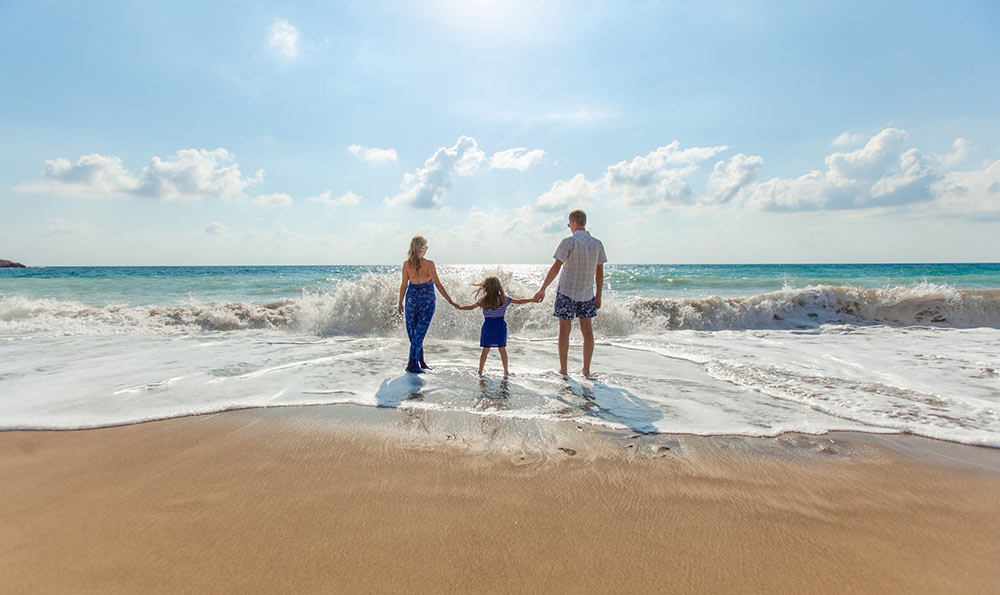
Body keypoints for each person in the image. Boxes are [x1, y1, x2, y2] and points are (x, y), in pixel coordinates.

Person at [532, 209, 607, 377]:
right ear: (584, 222)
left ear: (572, 223)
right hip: (587, 294)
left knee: (564, 331)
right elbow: (600, 273)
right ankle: (586, 371)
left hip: (566, 292)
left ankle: (564, 370)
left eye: (569, 225)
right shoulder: (597, 244)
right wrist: (599, 295)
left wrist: (542, 288)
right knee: (587, 332)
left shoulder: (568, 242)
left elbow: (556, 267)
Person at [398, 235, 457, 374]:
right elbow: (437, 283)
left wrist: (400, 302)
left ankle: (420, 361)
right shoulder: (429, 264)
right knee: (418, 333)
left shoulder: (407, 264)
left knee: (415, 333)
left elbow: (403, 286)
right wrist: (450, 300)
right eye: (426, 247)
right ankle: (412, 363)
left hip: (412, 298)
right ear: (422, 249)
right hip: (426, 299)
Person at [455, 275, 535, 376]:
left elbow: (470, 307)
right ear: (498, 287)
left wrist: (460, 307)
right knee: (502, 349)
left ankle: (480, 371)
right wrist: (532, 299)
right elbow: (519, 302)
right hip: (500, 326)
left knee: (485, 350)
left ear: (485, 287)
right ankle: (506, 371)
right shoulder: (504, 299)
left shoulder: (483, 300)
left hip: (488, 326)